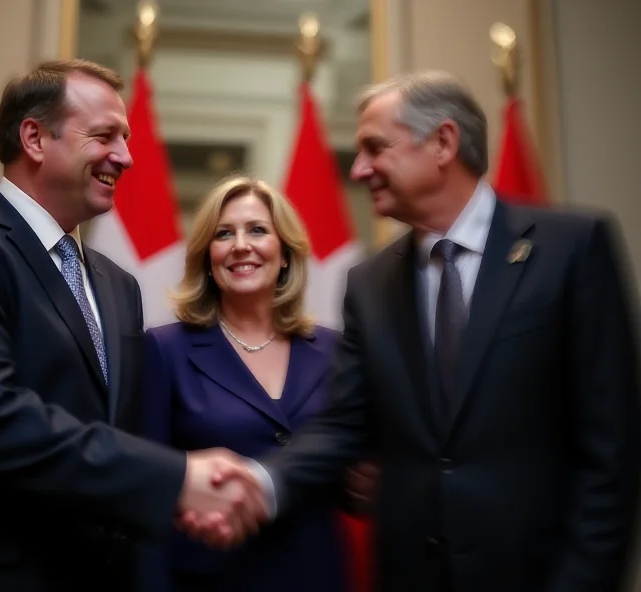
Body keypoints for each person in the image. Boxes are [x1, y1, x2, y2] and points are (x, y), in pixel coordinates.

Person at [204, 70, 641, 592]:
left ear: (443, 142)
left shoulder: (570, 250)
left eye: (374, 147)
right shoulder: (369, 283)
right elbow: (344, 426)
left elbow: (611, 451)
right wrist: (262, 482)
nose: (360, 168)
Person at [0, 59, 263, 592]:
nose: (125, 156)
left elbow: (112, 429)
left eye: (125, 137)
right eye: (105, 136)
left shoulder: (117, 285)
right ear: (33, 137)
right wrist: (174, 480)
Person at [139, 175, 359, 592]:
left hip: (316, 571)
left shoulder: (336, 350)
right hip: (212, 578)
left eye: (257, 230)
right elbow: (148, 489)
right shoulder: (164, 349)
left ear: (285, 253)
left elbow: (346, 472)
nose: (241, 245)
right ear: (207, 256)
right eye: (224, 234)